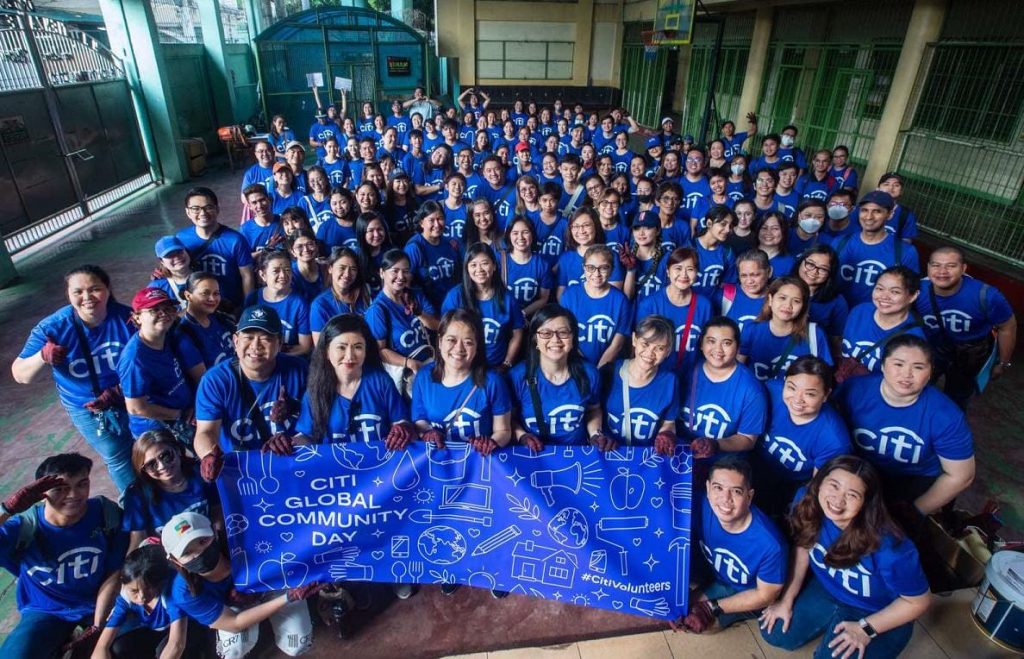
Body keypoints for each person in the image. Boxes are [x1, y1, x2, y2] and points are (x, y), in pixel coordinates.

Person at [760, 456, 931, 658]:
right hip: (830, 588)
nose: (838, 500)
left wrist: (867, 628)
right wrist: (786, 599)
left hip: (876, 609)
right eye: (834, 485)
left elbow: (919, 601)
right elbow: (803, 546)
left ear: (866, 503)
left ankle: (890, 634)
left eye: (852, 495)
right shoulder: (806, 500)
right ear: (819, 482)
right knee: (775, 632)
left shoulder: (891, 547)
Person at [13, 265, 137, 493]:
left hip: (130, 396)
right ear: (68, 295)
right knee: (117, 456)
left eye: (95, 289)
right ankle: (136, 510)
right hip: (87, 408)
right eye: (78, 292)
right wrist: (42, 356)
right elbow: (21, 374)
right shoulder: (53, 328)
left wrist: (120, 391)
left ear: (107, 290)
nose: (87, 297)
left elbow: (152, 361)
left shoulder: (127, 319)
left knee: (148, 445)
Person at [0, 453, 127, 658]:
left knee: (130, 646)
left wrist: (98, 625)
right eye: (60, 489)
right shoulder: (22, 528)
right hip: (45, 611)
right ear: (42, 492)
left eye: (81, 484)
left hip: (100, 603)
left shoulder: (106, 514)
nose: (73, 495)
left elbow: (114, 573)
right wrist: (6, 510)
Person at [836, 335, 975, 517]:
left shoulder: (945, 415)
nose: (907, 374)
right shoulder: (854, 389)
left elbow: (961, 476)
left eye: (918, 367)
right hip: (857, 472)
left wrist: (914, 512)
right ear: (883, 365)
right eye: (898, 364)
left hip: (911, 482)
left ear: (931, 371)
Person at [162, 511, 321, 658]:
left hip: (269, 585)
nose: (199, 553)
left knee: (297, 644)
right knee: (233, 650)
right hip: (232, 610)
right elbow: (234, 623)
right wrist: (289, 597)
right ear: (175, 561)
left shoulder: (244, 541)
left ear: (215, 533)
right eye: (187, 553)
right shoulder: (184, 592)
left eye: (203, 541)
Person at [677, 456, 786, 634]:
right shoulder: (701, 502)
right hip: (716, 573)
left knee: (703, 627)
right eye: (718, 488)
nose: (725, 499)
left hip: (744, 589)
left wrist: (711, 607)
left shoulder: (771, 545)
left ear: (749, 496)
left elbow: (766, 595)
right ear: (707, 488)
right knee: (678, 608)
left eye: (736, 491)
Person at [193, 305, 308, 474]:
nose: (256, 346)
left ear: (279, 343)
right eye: (248, 337)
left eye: (265, 338)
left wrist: (294, 440)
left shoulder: (300, 370)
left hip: (290, 462)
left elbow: (317, 427)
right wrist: (209, 455)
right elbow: (206, 431)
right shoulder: (215, 381)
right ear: (236, 341)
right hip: (241, 468)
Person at [916, 245, 1016, 409]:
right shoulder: (917, 290)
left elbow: (1008, 327)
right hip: (932, 350)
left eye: (951, 265)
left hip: (970, 355)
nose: (942, 271)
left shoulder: (987, 296)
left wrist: (1003, 363)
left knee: (956, 400)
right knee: (916, 389)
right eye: (936, 265)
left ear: (963, 268)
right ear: (927, 267)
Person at [753, 357, 851, 520]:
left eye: (810, 394)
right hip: (756, 465)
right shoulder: (770, 391)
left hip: (793, 485)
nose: (798, 399)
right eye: (791, 388)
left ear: (826, 395)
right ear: (784, 381)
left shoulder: (834, 439)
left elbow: (817, 485)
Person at [295, 314, 413, 448]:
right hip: (335, 467)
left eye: (358, 347)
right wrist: (289, 443)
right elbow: (307, 436)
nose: (350, 356)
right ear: (327, 352)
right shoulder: (315, 391)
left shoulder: (381, 382)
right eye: (341, 347)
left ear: (366, 350)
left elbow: (401, 422)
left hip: (381, 466)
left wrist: (403, 429)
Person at [509, 305, 607, 449]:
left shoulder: (589, 373)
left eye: (563, 333)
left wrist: (595, 434)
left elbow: (593, 409)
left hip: (576, 454)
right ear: (535, 339)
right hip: (533, 455)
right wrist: (521, 435)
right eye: (546, 333)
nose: (555, 339)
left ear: (573, 337)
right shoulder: (518, 376)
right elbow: (507, 418)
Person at [92, 543, 210, 659]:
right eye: (134, 591)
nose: (142, 597)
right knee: (119, 647)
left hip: (188, 629)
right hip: (159, 631)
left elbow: (177, 644)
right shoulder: (126, 597)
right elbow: (102, 646)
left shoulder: (173, 593)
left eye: (148, 588)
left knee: (164, 650)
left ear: (158, 582)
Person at [118, 287, 205, 440]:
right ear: (137, 317)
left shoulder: (168, 337)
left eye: (167, 308)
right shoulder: (134, 359)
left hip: (181, 417)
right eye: (154, 310)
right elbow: (136, 408)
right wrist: (179, 415)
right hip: (156, 431)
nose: (164, 314)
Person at [680, 317, 767, 460]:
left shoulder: (752, 390)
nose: (718, 349)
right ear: (701, 344)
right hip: (681, 459)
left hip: (722, 465)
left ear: (738, 347)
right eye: (711, 341)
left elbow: (748, 439)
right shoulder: (686, 372)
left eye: (726, 343)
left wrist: (715, 445)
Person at [122, 429, 215, 553]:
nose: (162, 466)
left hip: (211, 542)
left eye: (166, 456)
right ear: (142, 469)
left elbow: (218, 512)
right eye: (151, 464)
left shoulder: (201, 472)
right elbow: (138, 540)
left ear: (177, 450)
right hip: (172, 557)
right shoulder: (137, 495)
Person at [365, 249, 440, 394]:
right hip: (407, 372)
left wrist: (418, 313)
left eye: (405, 271)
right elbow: (380, 351)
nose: (401, 276)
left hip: (430, 362)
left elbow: (438, 326)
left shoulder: (416, 295)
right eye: (395, 271)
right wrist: (410, 363)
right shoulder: (378, 309)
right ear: (382, 273)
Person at [441, 243, 524, 370]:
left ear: (494, 266)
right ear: (467, 269)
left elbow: (517, 333)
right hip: (463, 366)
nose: (479, 269)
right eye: (473, 265)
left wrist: (506, 364)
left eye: (485, 263)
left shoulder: (507, 298)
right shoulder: (455, 296)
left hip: (496, 367)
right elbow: (444, 333)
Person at [602, 316, 678, 453]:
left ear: (668, 351)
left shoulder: (670, 382)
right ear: (634, 339)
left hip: (647, 458)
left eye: (659, 348)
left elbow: (669, 422)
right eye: (645, 344)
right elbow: (592, 410)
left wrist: (666, 434)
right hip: (608, 454)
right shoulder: (609, 372)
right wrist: (599, 436)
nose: (650, 353)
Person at [636, 246, 713, 379]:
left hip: (693, 377)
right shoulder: (649, 305)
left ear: (697, 273)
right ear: (667, 271)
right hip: (657, 377)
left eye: (690, 269)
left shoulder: (704, 306)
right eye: (678, 268)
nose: (683, 275)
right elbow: (639, 347)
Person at [834, 190, 919, 308]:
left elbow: (909, 294)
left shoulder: (906, 252)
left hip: (877, 318)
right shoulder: (840, 243)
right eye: (864, 210)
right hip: (838, 315)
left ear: (890, 214)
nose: (869, 217)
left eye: (877, 211)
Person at [174, 187, 255, 311]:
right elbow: (173, 266)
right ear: (188, 212)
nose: (202, 213)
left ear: (217, 209)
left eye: (208, 207)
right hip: (197, 307)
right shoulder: (181, 238)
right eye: (195, 208)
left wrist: (248, 309)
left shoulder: (235, 240)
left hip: (229, 308)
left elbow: (247, 276)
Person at [739, 276, 832, 381]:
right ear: (770, 300)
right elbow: (738, 372)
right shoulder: (752, 330)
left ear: (803, 307)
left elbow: (824, 378)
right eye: (782, 298)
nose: (788, 305)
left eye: (796, 301)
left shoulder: (815, 334)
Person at [840, 265, 926, 375]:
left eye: (895, 292)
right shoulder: (860, 311)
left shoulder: (914, 339)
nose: (884, 296)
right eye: (880, 289)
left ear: (913, 296)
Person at [559, 245, 632, 369]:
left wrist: (598, 371)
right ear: (584, 268)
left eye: (603, 268)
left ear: (612, 270)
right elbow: (564, 336)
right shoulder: (569, 296)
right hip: (575, 365)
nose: (596, 273)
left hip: (607, 367)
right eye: (591, 268)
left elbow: (617, 344)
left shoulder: (621, 301)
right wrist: (585, 368)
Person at [246, 251, 312, 357]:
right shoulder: (253, 299)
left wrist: (273, 356)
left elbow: (304, 347)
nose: (283, 275)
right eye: (276, 271)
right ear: (263, 275)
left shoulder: (300, 304)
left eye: (287, 270)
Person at [404, 201, 461, 310]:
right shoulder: (414, 247)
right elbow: (406, 284)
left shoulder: (450, 244)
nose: (437, 224)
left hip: (452, 306)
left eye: (440, 219)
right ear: (421, 222)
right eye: (431, 220)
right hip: (429, 309)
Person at [794, 245, 848, 359]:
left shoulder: (838, 302)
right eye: (810, 264)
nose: (814, 271)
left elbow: (835, 341)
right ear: (801, 262)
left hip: (813, 357)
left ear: (830, 274)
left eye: (823, 269)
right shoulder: (781, 286)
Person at [556, 208, 626, 296]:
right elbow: (561, 293)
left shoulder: (611, 256)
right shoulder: (565, 258)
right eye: (576, 226)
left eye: (586, 225)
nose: (581, 231)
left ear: (596, 226)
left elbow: (613, 294)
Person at [309, 247, 371, 346]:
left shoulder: (365, 295)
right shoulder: (319, 305)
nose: (347, 274)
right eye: (342, 268)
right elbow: (320, 347)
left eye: (353, 269)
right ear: (330, 268)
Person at [178, 273, 236, 369]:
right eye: (205, 293)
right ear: (188, 296)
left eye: (216, 293)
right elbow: (202, 380)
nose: (212, 298)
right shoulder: (185, 334)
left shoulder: (221, 318)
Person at [501, 216, 552, 317]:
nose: (520, 237)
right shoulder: (500, 260)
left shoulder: (542, 265)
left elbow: (543, 299)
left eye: (525, 232)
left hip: (529, 318)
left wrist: (522, 314)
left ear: (532, 234)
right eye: (515, 233)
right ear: (509, 235)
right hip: (503, 315)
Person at [715, 249, 770, 331]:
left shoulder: (776, 299)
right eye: (744, 276)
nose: (749, 281)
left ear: (769, 272)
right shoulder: (725, 296)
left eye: (755, 275)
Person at [692, 206, 736, 297]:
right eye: (723, 224)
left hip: (714, 306)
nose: (728, 230)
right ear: (709, 223)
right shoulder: (689, 247)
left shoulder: (727, 252)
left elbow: (728, 284)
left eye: (730, 226)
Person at [624, 211, 667, 299]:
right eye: (637, 228)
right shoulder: (625, 257)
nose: (641, 233)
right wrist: (630, 270)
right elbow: (627, 297)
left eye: (647, 227)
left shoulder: (667, 258)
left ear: (658, 230)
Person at [150, 236, 193, 305]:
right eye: (170, 255)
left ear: (186, 252)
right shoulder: (157, 287)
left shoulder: (206, 277)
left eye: (179, 252)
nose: (177, 257)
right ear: (162, 261)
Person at [755, 212, 795, 277]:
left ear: (783, 232)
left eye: (775, 228)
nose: (768, 232)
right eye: (764, 228)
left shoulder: (790, 263)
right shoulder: (745, 256)